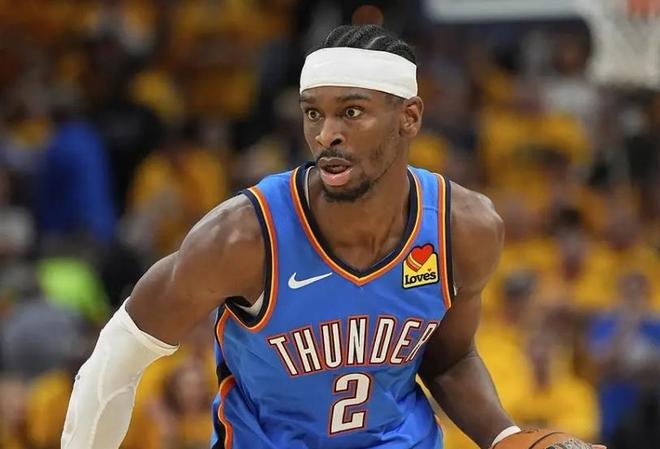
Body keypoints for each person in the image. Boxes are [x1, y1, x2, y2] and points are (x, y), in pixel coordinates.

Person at [61, 25, 599, 449]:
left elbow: (450, 361)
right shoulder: (242, 237)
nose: (326, 135)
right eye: (313, 114)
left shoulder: (464, 228)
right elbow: (118, 355)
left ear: (409, 117)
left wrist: (505, 436)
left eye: (352, 112)